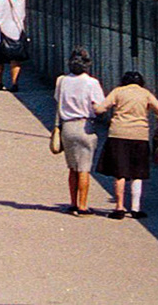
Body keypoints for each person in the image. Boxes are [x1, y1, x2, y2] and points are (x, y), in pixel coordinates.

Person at [98, 69, 158, 219]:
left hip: (118, 134)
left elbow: (101, 108)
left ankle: (119, 207)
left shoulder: (118, 91)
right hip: (140, 135)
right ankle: (135, 208)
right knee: (137, 172)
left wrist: (92, 107)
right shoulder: (145, 93)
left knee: (119, 172)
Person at [53, 48, 108, 215]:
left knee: (72, 167)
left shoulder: (61, 81)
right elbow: (100, 106)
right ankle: (83, 205)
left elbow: (57, 100)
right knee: (84, 167)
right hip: (85, 126)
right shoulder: (91, 83)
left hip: (67, 126)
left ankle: (73, 202)